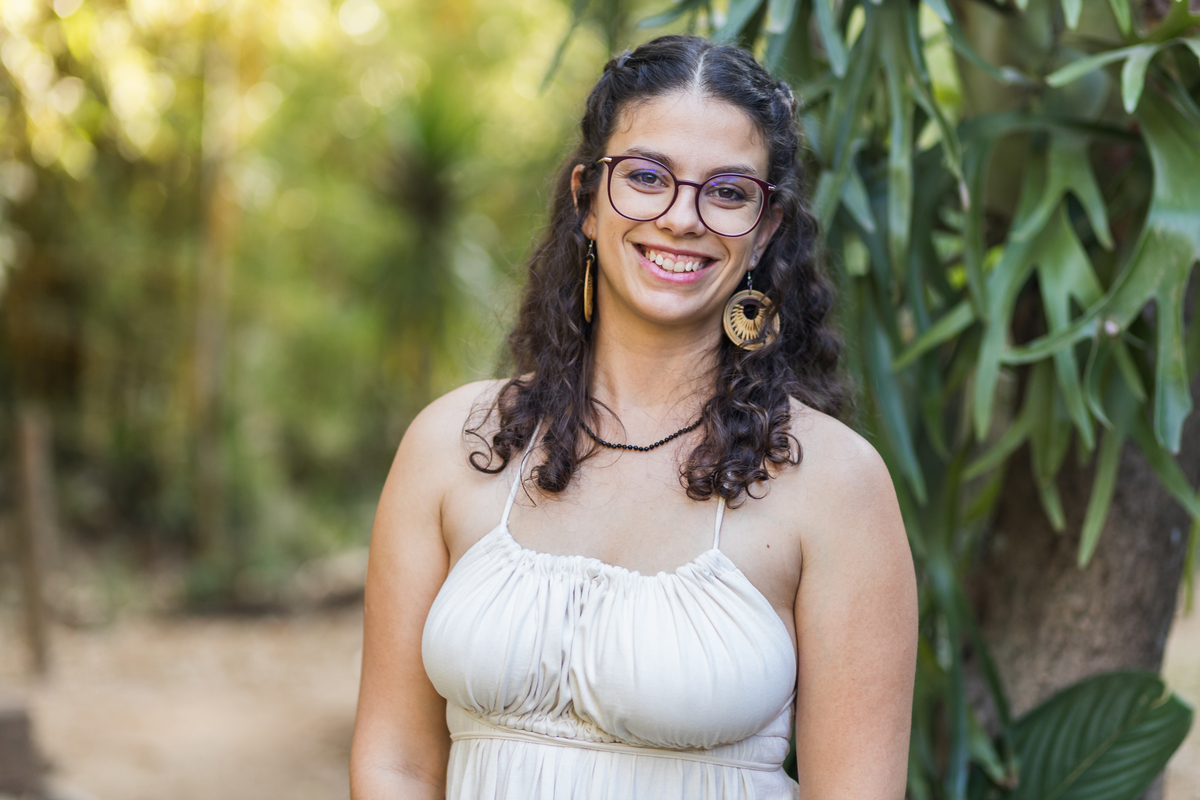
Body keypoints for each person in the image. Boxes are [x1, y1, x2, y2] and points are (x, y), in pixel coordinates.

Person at [350, 35, 917, 800]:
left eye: (726, 191)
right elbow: (396, 762)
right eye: (647, 177)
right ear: (586, 199)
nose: (682, 217)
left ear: (766, 230)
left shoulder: (836, 484)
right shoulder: (451, 446)